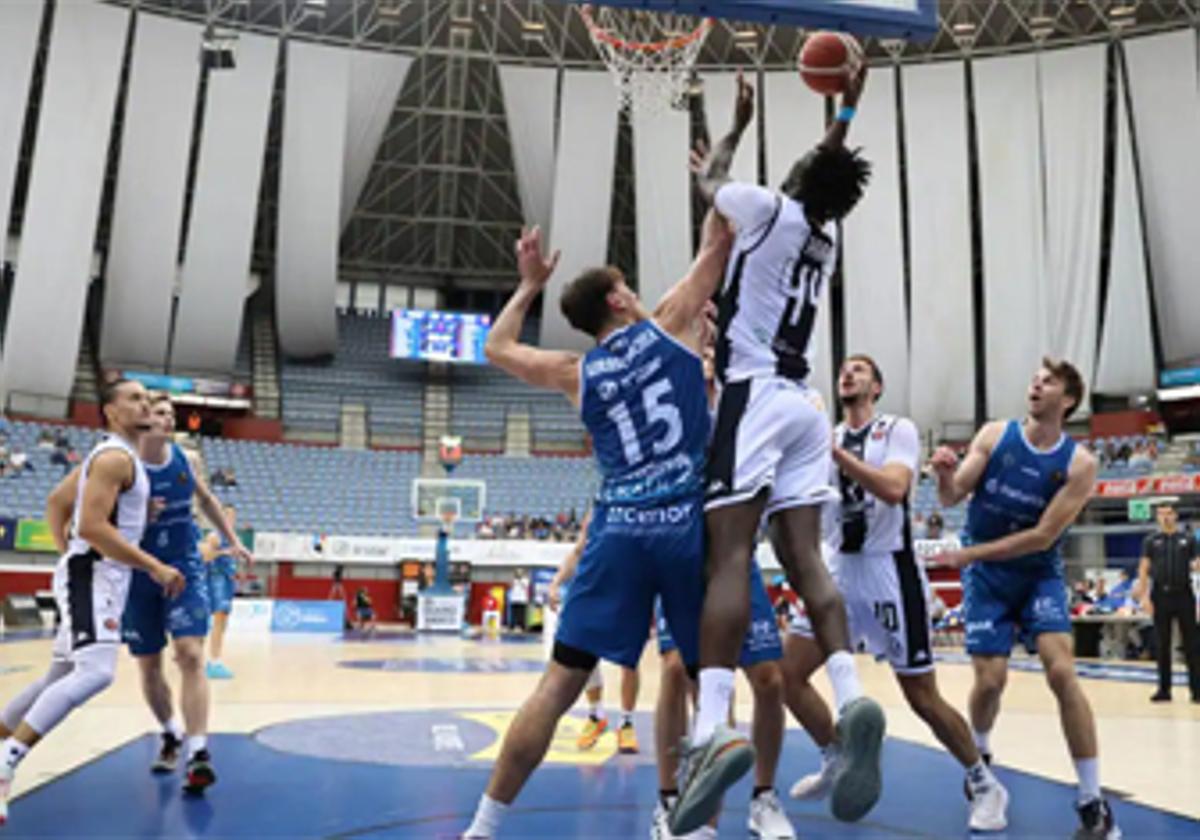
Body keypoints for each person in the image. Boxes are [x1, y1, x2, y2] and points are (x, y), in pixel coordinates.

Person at [461, 203, 732, 838]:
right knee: (706, 685)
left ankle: (483, 826)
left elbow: (495, 346)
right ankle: (702, 828)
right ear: (618, 298)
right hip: (685, 525)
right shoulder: (668, 323)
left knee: (559, 683)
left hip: (618, 531)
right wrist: (717, 180)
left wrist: (528, 284)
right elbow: (717, 250)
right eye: (627, 288)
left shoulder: (575, 372)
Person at [672, 66, 885, 834]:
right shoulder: (821, 236)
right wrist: (848, 106)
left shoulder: (764, 208)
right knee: (808, 566)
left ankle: (709, 732)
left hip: (754, 396)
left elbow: (714, 183)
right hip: (804, 406)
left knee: (727, 558)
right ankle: (853, 698)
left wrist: (733, 125)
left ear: (794, 179)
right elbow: (819, 171)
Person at [782, 355, 1007, 831]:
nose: (849, 374)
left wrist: (835, 456)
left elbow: (893, 488)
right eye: (844, 369)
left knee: (922, 697)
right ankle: (837, 758)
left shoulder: (895, 429)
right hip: (838, 567)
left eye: (860, 369)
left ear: (877, 386)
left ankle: (985, 782)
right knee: (787, 674)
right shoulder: (826, 437)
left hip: (890, 570)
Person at [929, 358, 1120, 838]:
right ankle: (982, 759)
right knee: (990, 682)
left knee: (1062, 672)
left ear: (1068, 400)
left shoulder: (1079, 463)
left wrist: (970, 553)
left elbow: (1042, 537)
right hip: (988, 579)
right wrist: (943, 475)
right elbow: (952, 499)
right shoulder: (995, 435)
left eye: (1049, 381)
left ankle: (1092, 801)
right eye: (1035, 377)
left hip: (1037, 574)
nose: (1036, 383)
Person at [0, 380, 185, 825]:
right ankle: (7, 760)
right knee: (97, 673)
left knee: (60, 675)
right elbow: (95, 527)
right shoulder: (115, 457)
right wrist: (154, 566)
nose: (143, 403)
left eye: (147, 398)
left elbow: (56, 501)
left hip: (98, 574)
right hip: (95, 574)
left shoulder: (118, 458)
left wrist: (81, 541)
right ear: (111, 412)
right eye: (133, 399)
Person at [45, 395, 251, 794]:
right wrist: (68, 554)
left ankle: (198, 752)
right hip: (135, 573)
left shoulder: (186, 460)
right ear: (140, 419)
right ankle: (171, 733)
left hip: (184, 565)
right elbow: (62, 505)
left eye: (171, 414)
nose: (166, 419)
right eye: (158, 412)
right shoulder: (115, 461)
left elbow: (206, 499)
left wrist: (233, 540)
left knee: (191, 654)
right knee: (149, 665)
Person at [654, 557, 795, 840]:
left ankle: (764, 799)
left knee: (770, 679)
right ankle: (672, 803)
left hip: (737, 561)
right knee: (677, 668)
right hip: (679, 556)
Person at [546, 515, 643, 755]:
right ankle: (595, 714)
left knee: (629, 660)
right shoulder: (596, 513)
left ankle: (627, 722)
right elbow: (579, 550)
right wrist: (556, 583)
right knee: (585, 653)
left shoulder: (641, 508)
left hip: (631, 590)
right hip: (595, 589)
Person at [1134, 504, 1200, 702]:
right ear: (1157, 517)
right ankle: (1164, 689)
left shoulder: (1188, 540)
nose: (1165, 517)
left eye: (1169, 513)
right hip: (1160, 595)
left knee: (1192, 645)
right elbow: (1144, 568)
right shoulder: (1151, 541)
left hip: (1184, 594)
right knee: (1162, 644)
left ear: (1176, 515)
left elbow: (1198, 564)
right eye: (1161, 514)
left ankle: (1196, 690)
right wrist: (1144, 596)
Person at [199, 505, 244, 679]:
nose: (231, 519)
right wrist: (225, 552)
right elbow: (205, 556)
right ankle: (214, 661)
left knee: (222, 622)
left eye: (233, 516)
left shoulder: (234, 537)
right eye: (227, 515)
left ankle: (212, 658)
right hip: (215, 580)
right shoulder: (215, 536)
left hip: (227, 580)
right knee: (217, 621)